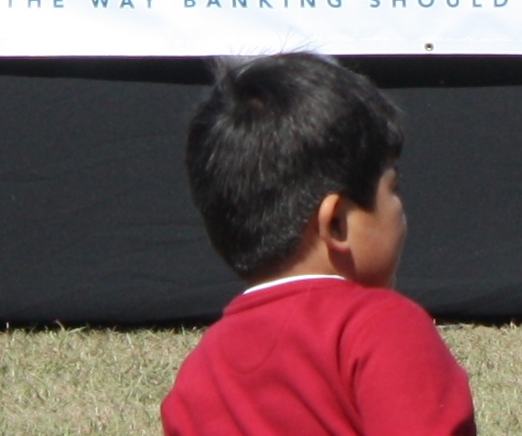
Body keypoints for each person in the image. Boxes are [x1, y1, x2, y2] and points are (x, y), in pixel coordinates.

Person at [163, 53, 475, 436]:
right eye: (394, 187)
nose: (401, 209)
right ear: (337, 222)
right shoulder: (381, 327)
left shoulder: (199, 371)